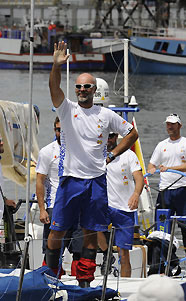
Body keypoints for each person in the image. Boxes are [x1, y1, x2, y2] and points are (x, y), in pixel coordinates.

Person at [46, 41, 139, 287]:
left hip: (97, 182)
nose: (82, 90)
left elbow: (132, 133)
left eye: (87, 86)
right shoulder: (67, 109)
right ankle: (50, 274)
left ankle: (85, 280)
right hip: (70, 180)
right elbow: (54, 88)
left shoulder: (106, 115)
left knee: (90, 233)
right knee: (58, 231)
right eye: (78, 87)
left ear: (94, 89)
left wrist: (113, 154)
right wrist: (55, 66)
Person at [147, 113, 186, 271]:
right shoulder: (161, 145)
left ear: (180, 125)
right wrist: (151, 171)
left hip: (184, 191)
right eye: (168, 124)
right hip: (165, 192)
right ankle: (165, 263)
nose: (170, 127)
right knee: (162, 230)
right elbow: (151, 165)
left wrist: (170, 168)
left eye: (173, 124)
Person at [36, 117, 82, 275]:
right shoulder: (47, 152)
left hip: (78, 207)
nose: (61, 133)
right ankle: (50, 280)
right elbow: (39, 181)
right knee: (52, 249)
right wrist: (42, 209)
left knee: (80, 250)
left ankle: (82, 285)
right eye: (57, 129)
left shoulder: (81, 150)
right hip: (55, 206)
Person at [97, 133, 144, 277]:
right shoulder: (97, 154)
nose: (108, 139)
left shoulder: (129, 155)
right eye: (106, 136)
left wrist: (136, 194)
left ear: (116, 136)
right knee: (92, 228)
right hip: (105, 206)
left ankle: (124, 285)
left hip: (125, 208)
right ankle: (107, 253)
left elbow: (139, 178)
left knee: (124, 255)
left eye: (111, 136)